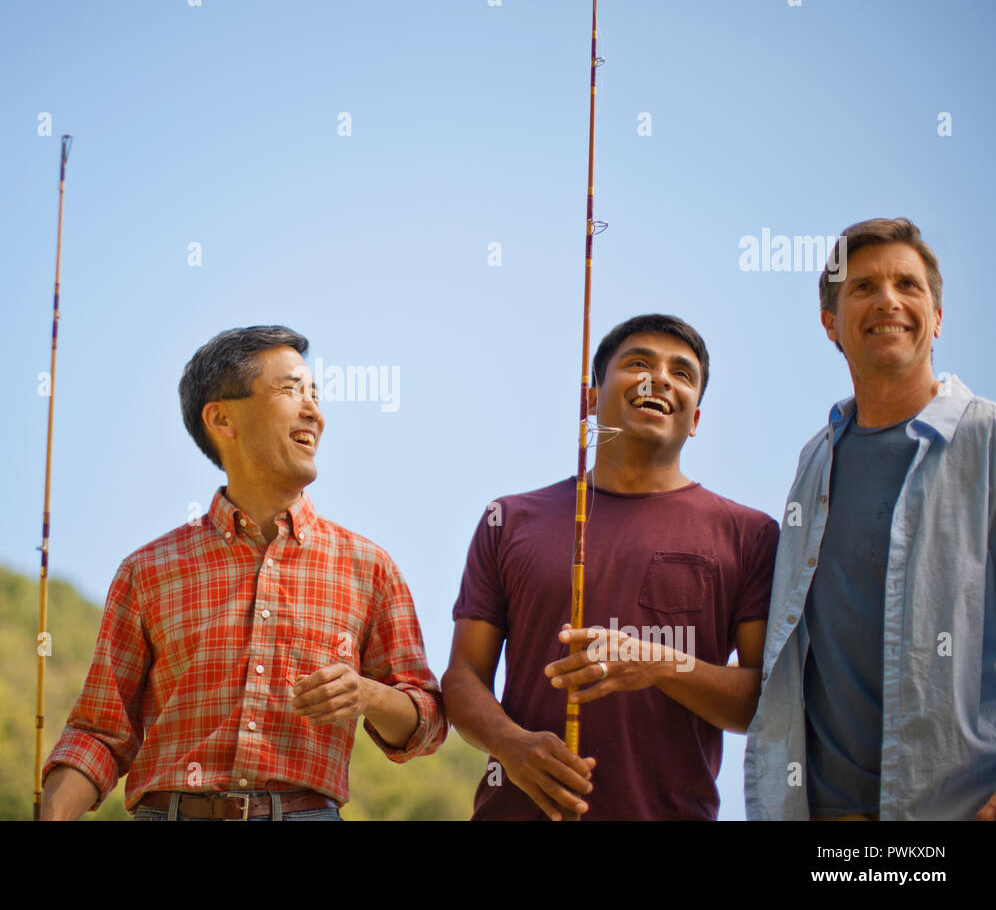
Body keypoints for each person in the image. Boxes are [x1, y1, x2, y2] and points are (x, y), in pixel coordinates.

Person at [40, 325, 446, 820]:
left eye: (315, 396)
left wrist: (368, 693)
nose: (314, 412)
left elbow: (426, 725)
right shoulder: (147, 572)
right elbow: (101, 734)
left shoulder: (370, 568)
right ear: (221, 419)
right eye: (291, 391)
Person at [442, 313, 779, 820]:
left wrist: (661, 664)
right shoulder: (508, 519)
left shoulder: (751, 534)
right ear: (592, 398)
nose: (660, 378)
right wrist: (511, 746)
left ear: (696, 418)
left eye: (682, 374)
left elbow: (760, 700)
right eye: (638, 362)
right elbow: (463, 678)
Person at [745, 217, 996, 821]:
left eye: (908, 285)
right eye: (862, 288)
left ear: (935, 317)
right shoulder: (815, 462)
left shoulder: (986, 440)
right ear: (831, 324)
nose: (888, 300)